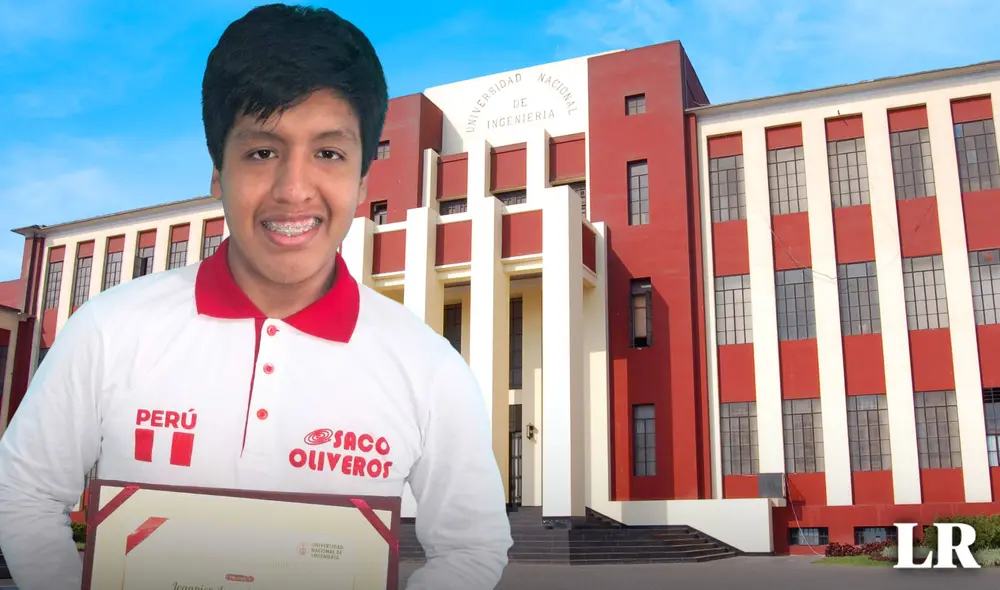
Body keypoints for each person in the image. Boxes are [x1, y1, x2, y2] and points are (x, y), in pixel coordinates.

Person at [0, 4, 512, 589]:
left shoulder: (428, 367)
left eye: (328, 153)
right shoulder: (109, 330)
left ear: (362, 181)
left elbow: (472, 547)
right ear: (218, 174)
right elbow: (23, 492)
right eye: (262, 152)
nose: (293, 190)